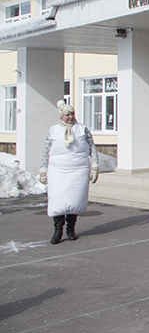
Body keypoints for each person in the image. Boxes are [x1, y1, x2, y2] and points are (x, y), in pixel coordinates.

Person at [39, 100, 99, 244]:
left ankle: (71, 230)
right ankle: (58, 230)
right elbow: (46, 150)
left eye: (72, 114)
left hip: (78, 171)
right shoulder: (54, 130)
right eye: (67, 115)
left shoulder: (82, 129)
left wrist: (95, 167)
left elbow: (92, 148)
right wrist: (42, 169)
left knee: (75, 201)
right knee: (58, 202)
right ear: (61, 116)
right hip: (57, 171)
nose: (70, 117)